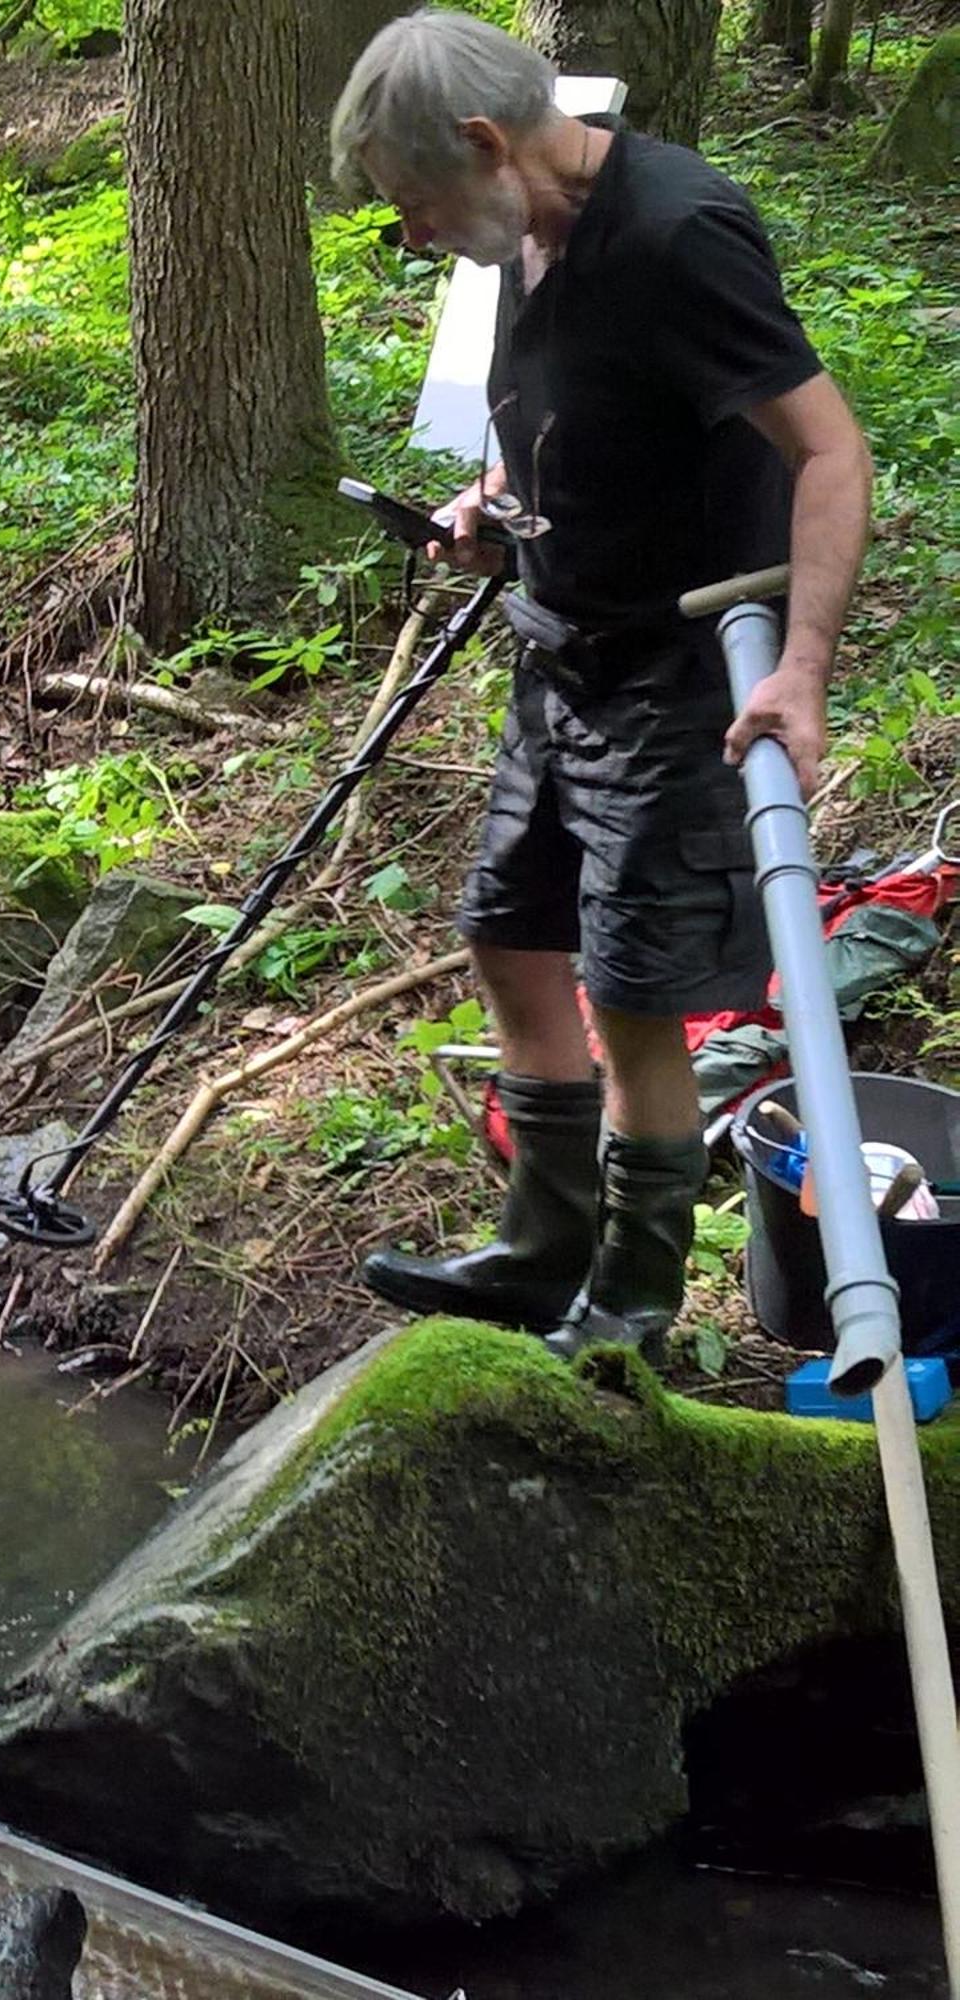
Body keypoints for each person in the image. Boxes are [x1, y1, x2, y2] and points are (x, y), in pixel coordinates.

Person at [330, 11, 872, 1363]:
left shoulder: (679, 234)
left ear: (485, 143)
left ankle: (633, 1302)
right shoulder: (526, 230)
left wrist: (802, 672)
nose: (414, 235)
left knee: (632, 996)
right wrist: (494, 502)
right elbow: (587, 416)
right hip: (561, 644)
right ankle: (542, 1249)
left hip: (683, 667)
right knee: (509, 939)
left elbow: (831, 454)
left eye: (414, 204)